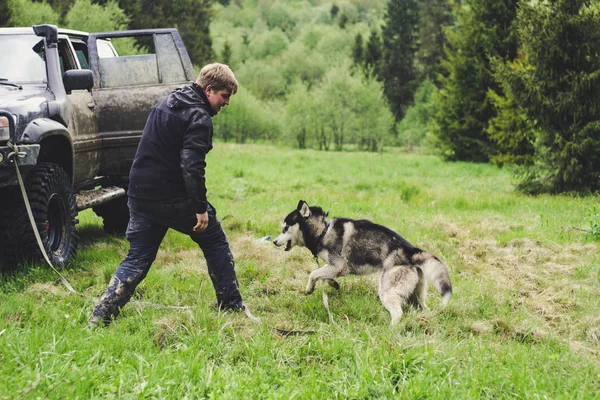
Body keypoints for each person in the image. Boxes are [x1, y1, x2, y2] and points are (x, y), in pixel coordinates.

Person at [90, 63, 244, 327]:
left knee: (137, 257)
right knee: (215, 240)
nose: (227, 102)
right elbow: (191, 166)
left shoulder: (167, 102)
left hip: (138, 193)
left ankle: (101, 315)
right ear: (209, 90)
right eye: (225, 96)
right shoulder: (199, 116)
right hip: (170, 196)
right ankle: (231, 306)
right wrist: (199, 208)